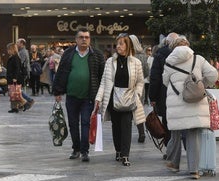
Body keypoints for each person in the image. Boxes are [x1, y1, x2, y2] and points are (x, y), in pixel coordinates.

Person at [163, 37, 219, 179]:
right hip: (195, 101)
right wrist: (201, 84)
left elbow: (165, 81)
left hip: (176, 101)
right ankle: (194, 170)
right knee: (193, 134)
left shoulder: (169, 61)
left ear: (174, 47)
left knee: (175, 134)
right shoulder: (198, 59)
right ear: (188, 45)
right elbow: (213, 74)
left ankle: (173, 163)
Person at [53, 27, 105, 162]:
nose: (84, 39)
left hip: (89, 96)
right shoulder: (69, 54)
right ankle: (76, 149)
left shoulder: (97, 55)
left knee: (86, 123)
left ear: (89, 39)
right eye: (81, 37)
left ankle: (84, 151)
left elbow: (103, 76)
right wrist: (57, 91)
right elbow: (61, 73)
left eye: (86, 37)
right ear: (76, 39)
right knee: (73, 124)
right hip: (71, 96)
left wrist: (100, 96)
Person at [94, 33, 145, 166]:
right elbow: (104, 82)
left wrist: (138, 94)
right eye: (117, 44)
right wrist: (98, 98)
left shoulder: (136, 62)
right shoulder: (110, 62)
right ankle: (118, 151)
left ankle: (125, 155)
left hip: (129, 99)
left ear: (128, 45)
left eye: (121, 43)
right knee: (116, 127)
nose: (118, 46)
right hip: (113, 98)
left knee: (126, 126)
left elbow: (140, 82)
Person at [149, 32, 179, 152]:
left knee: (167, 121)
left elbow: (155, 77)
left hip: (165, 93)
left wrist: (152, 97)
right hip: (182, 93)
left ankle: (170, 149)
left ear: (166, 42)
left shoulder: (160, 53)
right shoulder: (188, 53)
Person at [128, 34, 148, 143]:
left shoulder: (126, 55)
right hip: (140, 87)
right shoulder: (143, 56)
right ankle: (141, 133)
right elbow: (146, 73)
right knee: (138, 110)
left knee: (127, 111)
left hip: (127, 87)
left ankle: (127, 133)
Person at [6, 43, 27, 113]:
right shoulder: (13, 57)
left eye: (8, 49)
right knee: (13, 94)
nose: (7, 51)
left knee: (15, 94)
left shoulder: (15, 57)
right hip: (11, 78)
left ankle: (24, 103)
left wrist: (15, 77)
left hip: (14, 78)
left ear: (12, 50)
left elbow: (17, 68)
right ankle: (14, 108)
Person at [16, 38, 35, 110]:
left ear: (21, 44)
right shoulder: (21, 51)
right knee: (18, 88)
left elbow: (20, 62)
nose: (17, 44)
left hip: (23, 72)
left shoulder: (23, 52)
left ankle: (29, 100)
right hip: (23, 72)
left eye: (18, 43)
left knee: (17, 89)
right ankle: (21, 104)